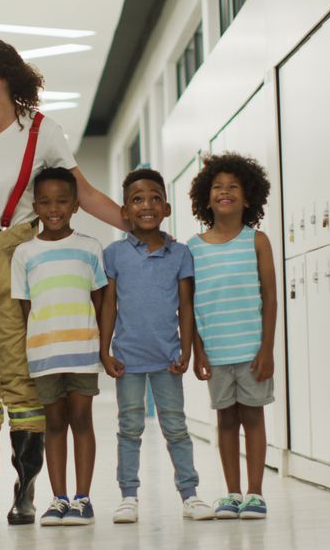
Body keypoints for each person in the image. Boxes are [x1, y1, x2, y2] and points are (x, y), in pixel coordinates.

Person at [0, 36, 125, 527]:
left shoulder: (43, 131)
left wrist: (137, 225)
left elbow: (86, 193)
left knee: (20, 374)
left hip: (15, 253)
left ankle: (26, 495)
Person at [99, 169, 215, 524]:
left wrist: (187, 349)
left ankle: (190, 494)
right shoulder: (115, 254)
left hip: (168, 359)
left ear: (165, 208)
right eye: (137, 199)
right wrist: (105, 350)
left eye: (154, 199)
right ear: (125, 211)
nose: (146, 205)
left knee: (176, 427)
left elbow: (186, 305)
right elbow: (108, 305)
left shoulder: (180, 253)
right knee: (129, 427)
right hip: (128, 359)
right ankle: (128, 496)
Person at [9, 167, 106, 526]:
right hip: (44, 354)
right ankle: (58, 498)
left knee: (81, 420)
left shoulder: (90, 247)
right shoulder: (24, 253)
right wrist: (34, 347)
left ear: (75, 205)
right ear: (35, 206)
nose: (54, 208)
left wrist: (102, 347)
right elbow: (25, 309)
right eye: (46, 202)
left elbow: (100, 302)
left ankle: (83, 498)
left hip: (82, 351)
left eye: (62, 201)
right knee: (53, 423)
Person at [188, 153, 276, 520]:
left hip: (252, 350)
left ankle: (255, 493)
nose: (225, 192)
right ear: (206, 200)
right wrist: (198, 351)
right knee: (225, 420)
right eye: (217, 188)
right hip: (217, 351)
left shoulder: (257, 241)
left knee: (253, 418)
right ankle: (232, 492)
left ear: (248, 197)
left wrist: (268, 349)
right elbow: (190, 306)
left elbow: (270, 297)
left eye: (233, 187)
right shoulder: (193, 247)